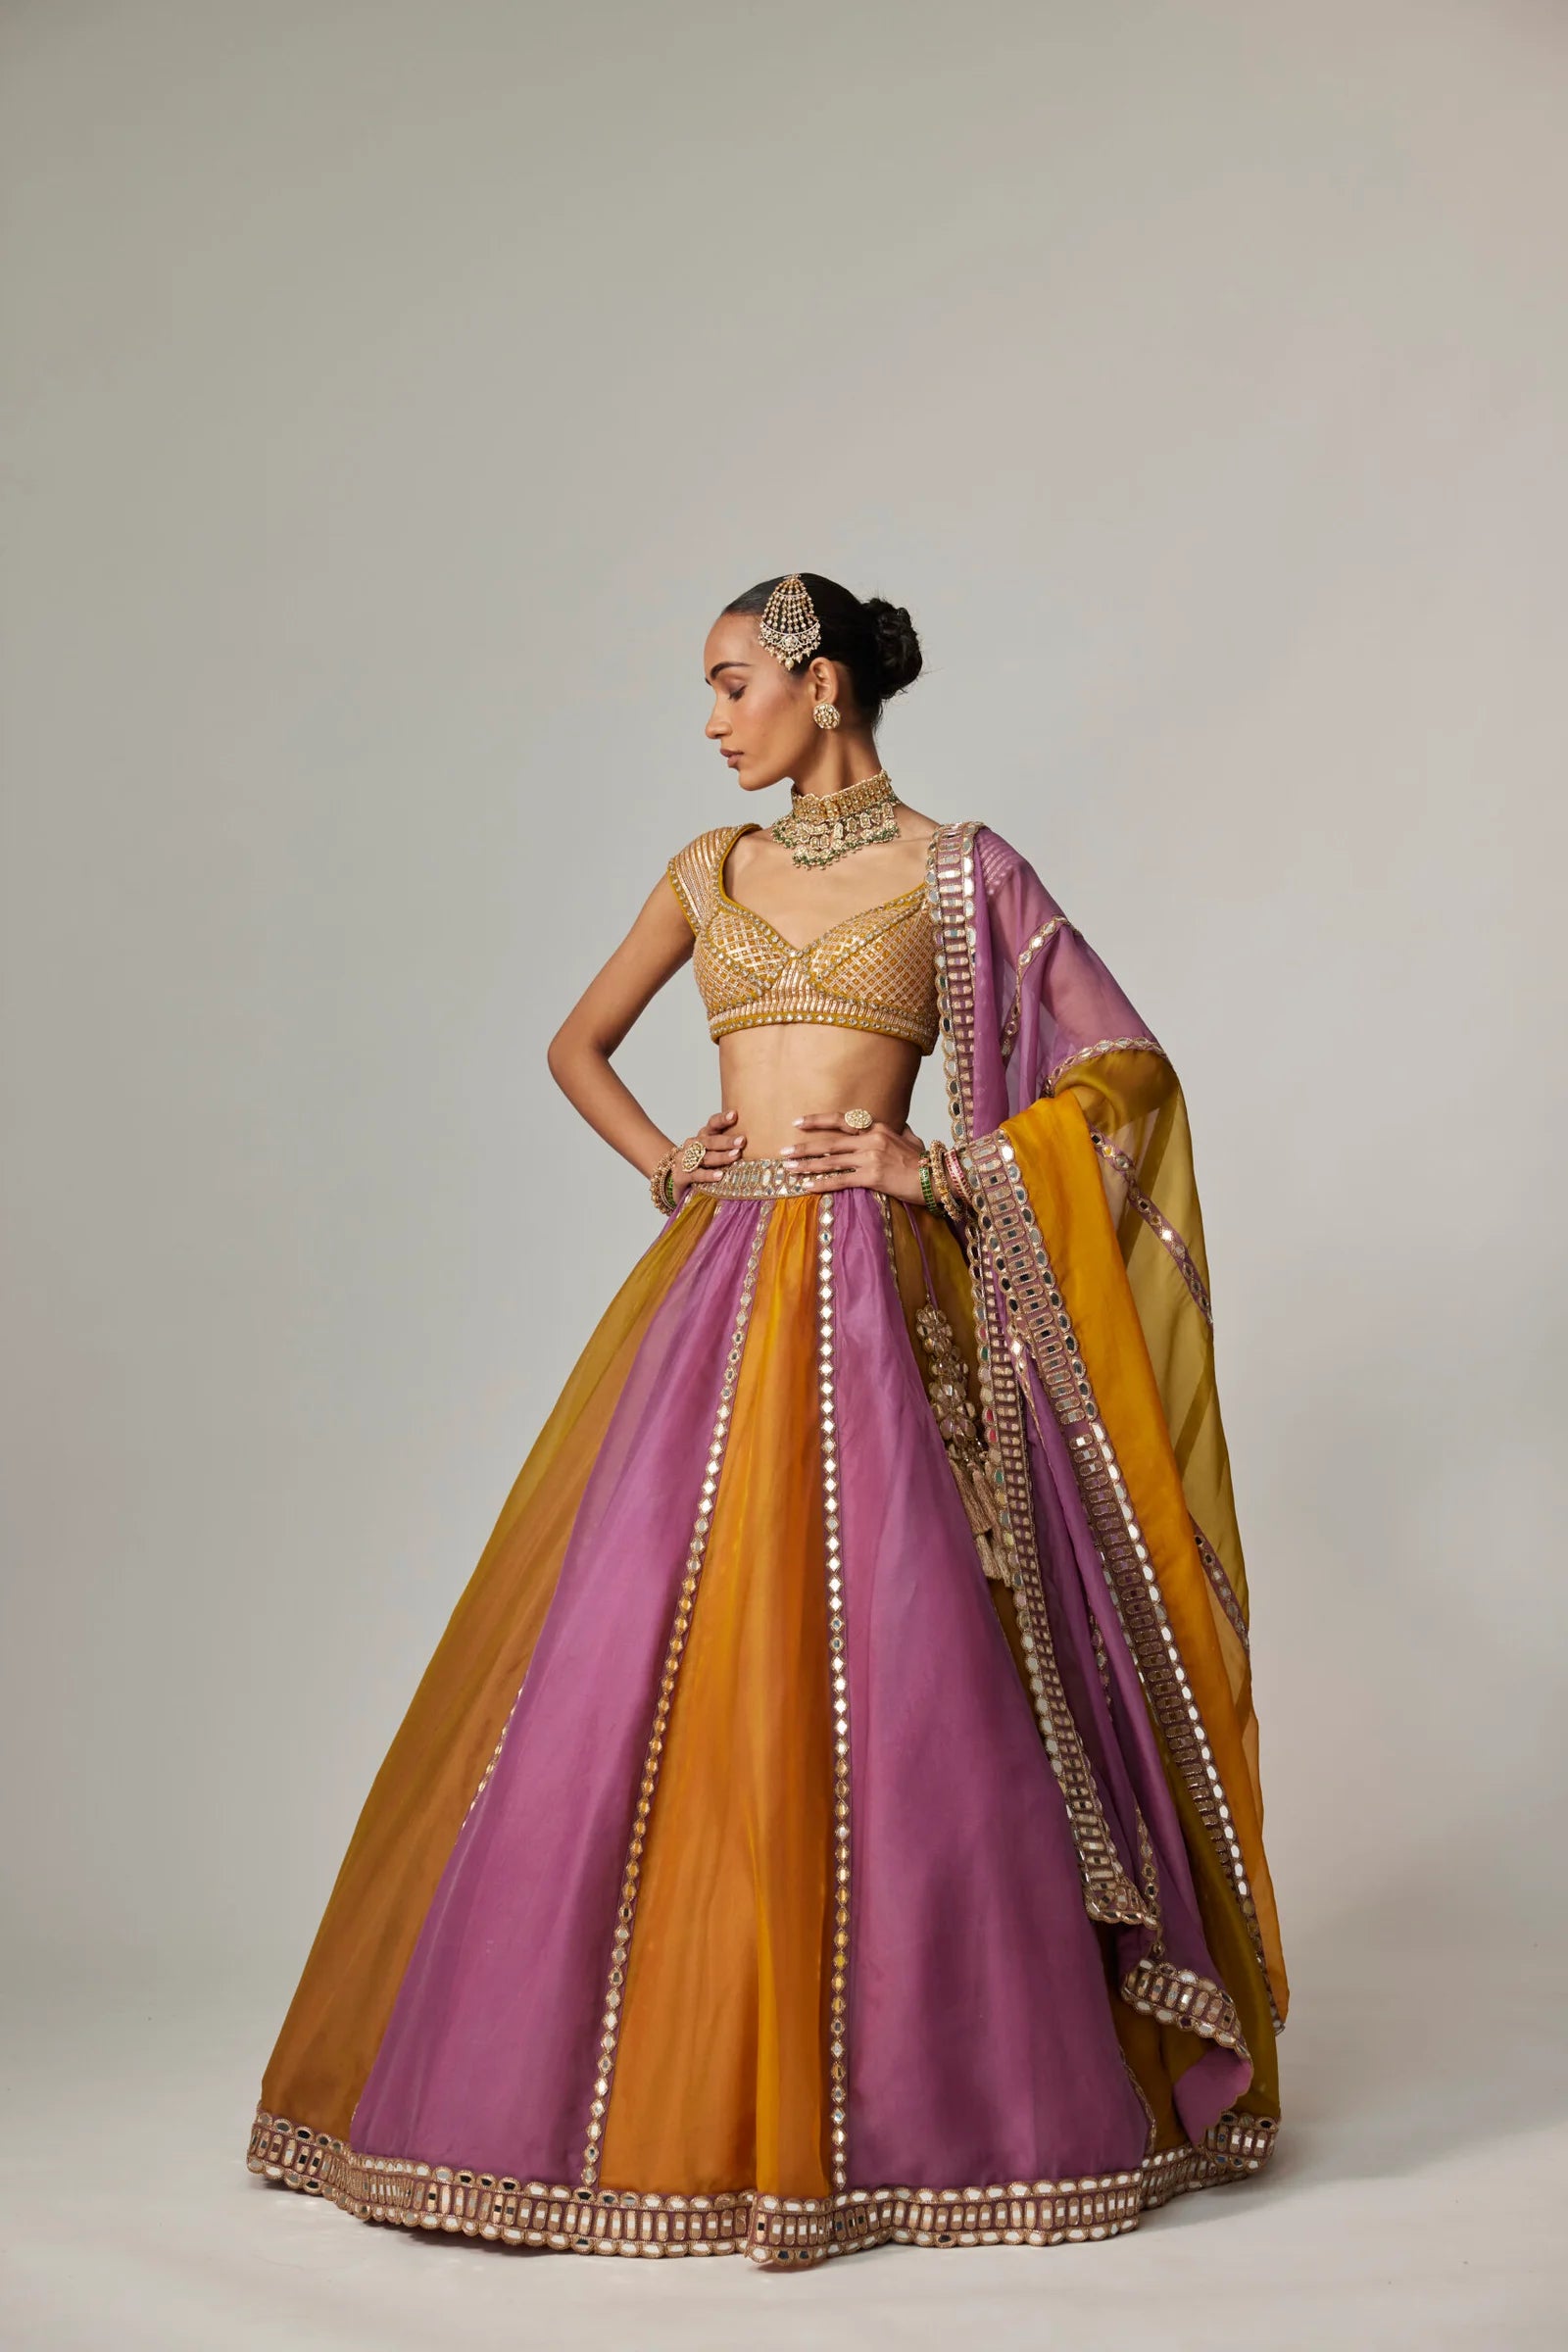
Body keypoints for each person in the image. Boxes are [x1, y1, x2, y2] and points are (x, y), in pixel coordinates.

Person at [247, 571, 1287, 2270]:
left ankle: (931, 2106)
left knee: (910, 1672)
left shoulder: (960, 872)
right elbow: (580, 1043)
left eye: (734, 682)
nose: (713, 718)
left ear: (822, 682)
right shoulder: (706, 869)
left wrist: (942, 1167)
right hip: (718, 1297)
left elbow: (1126, 1080)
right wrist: (670, 1160)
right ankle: (628, 2094)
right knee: (636, 1660)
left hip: (886, 1300)